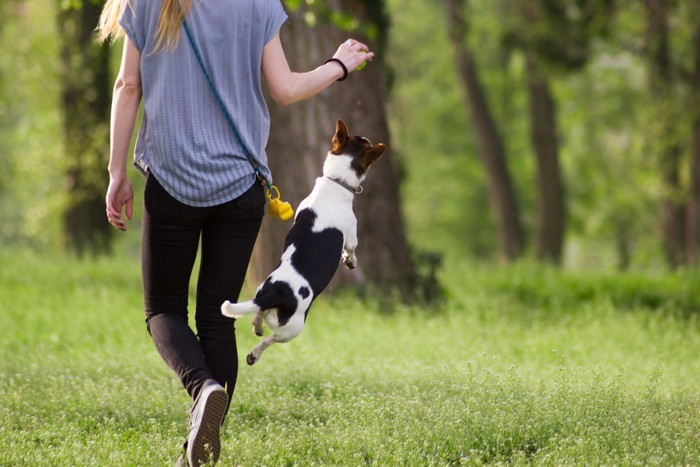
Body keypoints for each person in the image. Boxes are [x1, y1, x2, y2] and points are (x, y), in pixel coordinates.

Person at [96, 0, 372, 465]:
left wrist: (116, 171)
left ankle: (203, 389)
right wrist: (338, 65)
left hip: (172, 182)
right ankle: (201, 444)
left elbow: (128, 86)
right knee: (217, 316)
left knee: (163, 309)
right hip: (240, 186)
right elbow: (285, 90)